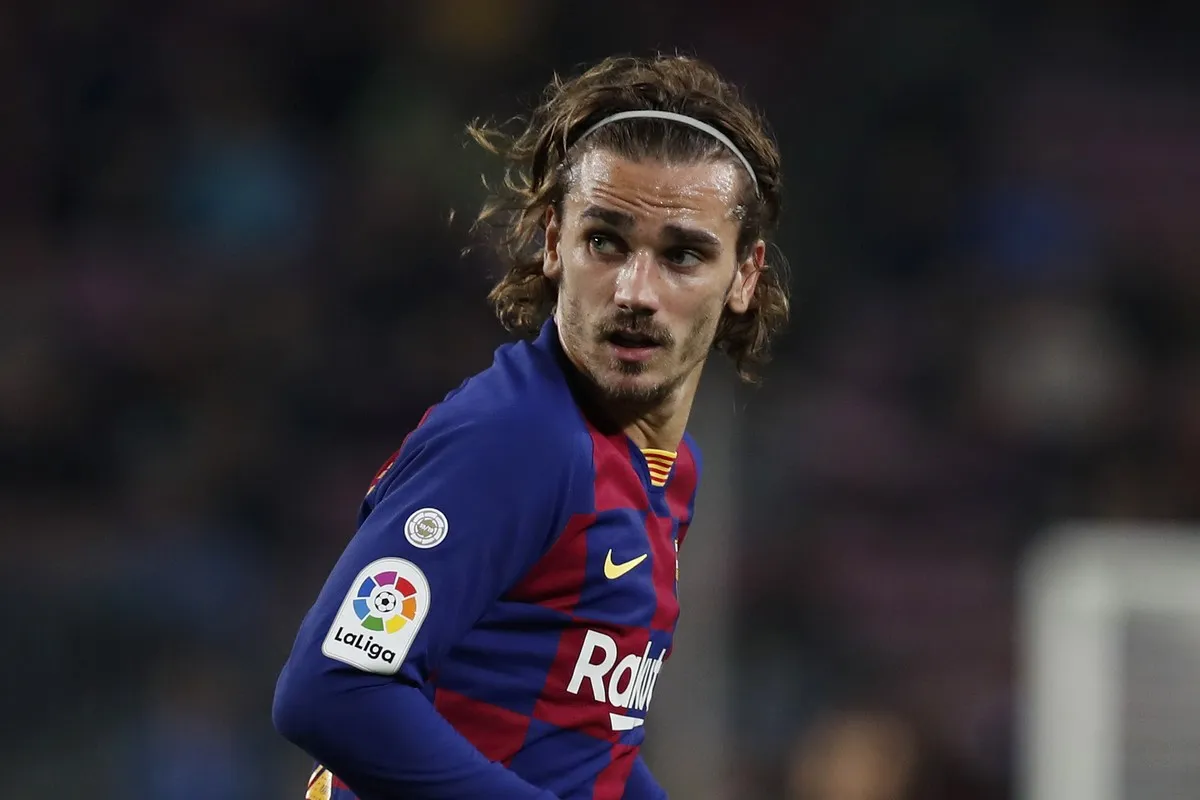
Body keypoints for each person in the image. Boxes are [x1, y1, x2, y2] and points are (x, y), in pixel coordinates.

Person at [272, 53, 789, 800]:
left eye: (682, 255)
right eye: (605, 241)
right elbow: (332, 689)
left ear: (744, 275)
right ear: (553, 243)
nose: (635, 291)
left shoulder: (666, 470)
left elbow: (585, 746)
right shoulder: (517, 440)